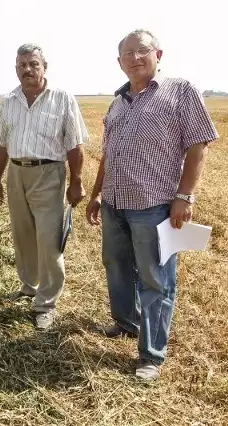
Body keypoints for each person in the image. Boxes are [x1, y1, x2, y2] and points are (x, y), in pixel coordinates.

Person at [86, 29, 219, 380]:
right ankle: (126, 322)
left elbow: (198, 145)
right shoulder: (117, 102)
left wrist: (185, 196)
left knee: (155, 280)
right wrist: (97, 193)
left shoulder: (180, 90)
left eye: (141, 51)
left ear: (158, 54)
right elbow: (108, 154)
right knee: (116, 265)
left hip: (154, 205)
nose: (134, 58)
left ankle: (151, 355)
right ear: (119, 62)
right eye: (126, 54)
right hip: (115, 203)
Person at [0, 43, 89, 330]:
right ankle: (29, 285)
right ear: (16, 69)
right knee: (23, 236)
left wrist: (77, 182)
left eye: (33, 64)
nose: (27, 69)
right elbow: (0, 144)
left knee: (48, 240)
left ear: (44, 67)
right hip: (17, 173)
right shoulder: (9, 101)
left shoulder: (62, 99)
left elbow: (75, 144)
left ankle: (46, 303)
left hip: (49, 173)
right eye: (22, 65)